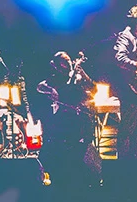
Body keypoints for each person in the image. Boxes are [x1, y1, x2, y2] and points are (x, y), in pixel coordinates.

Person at [36, 51, 98, 191]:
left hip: (79, 123)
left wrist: (83, 74)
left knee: (79, 158)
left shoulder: (78, 76)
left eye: (69, 60)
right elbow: (40, 86)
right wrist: (52, 90)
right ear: (57, 66)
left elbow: (94, 88)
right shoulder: (54, 79)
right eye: (64, 61)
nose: (69, 63)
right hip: (61, 125)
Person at [111, 8, 137, 158]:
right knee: (127, 129)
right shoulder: (125, 37)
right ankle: (124, 161)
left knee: (136, 129)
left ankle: (133, 159)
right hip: (128, 89)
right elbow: (119, 58)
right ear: (136, 22)